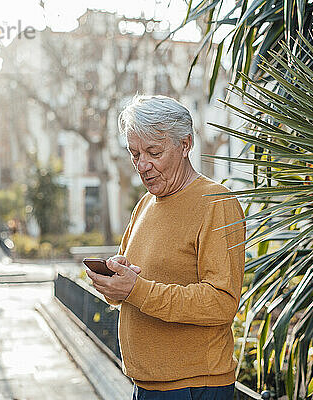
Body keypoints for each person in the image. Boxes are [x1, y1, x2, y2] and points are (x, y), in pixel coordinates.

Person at [85, 95, 246, 400]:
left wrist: (137, 290)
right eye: (134, 154)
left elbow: (221, 302)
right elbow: (136, 289)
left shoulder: (216, 203)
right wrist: (115, 284)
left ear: (185, 145)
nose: (142, 165)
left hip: (194, 387)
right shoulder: (146, 203)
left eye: (153, 152)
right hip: (146, 385)